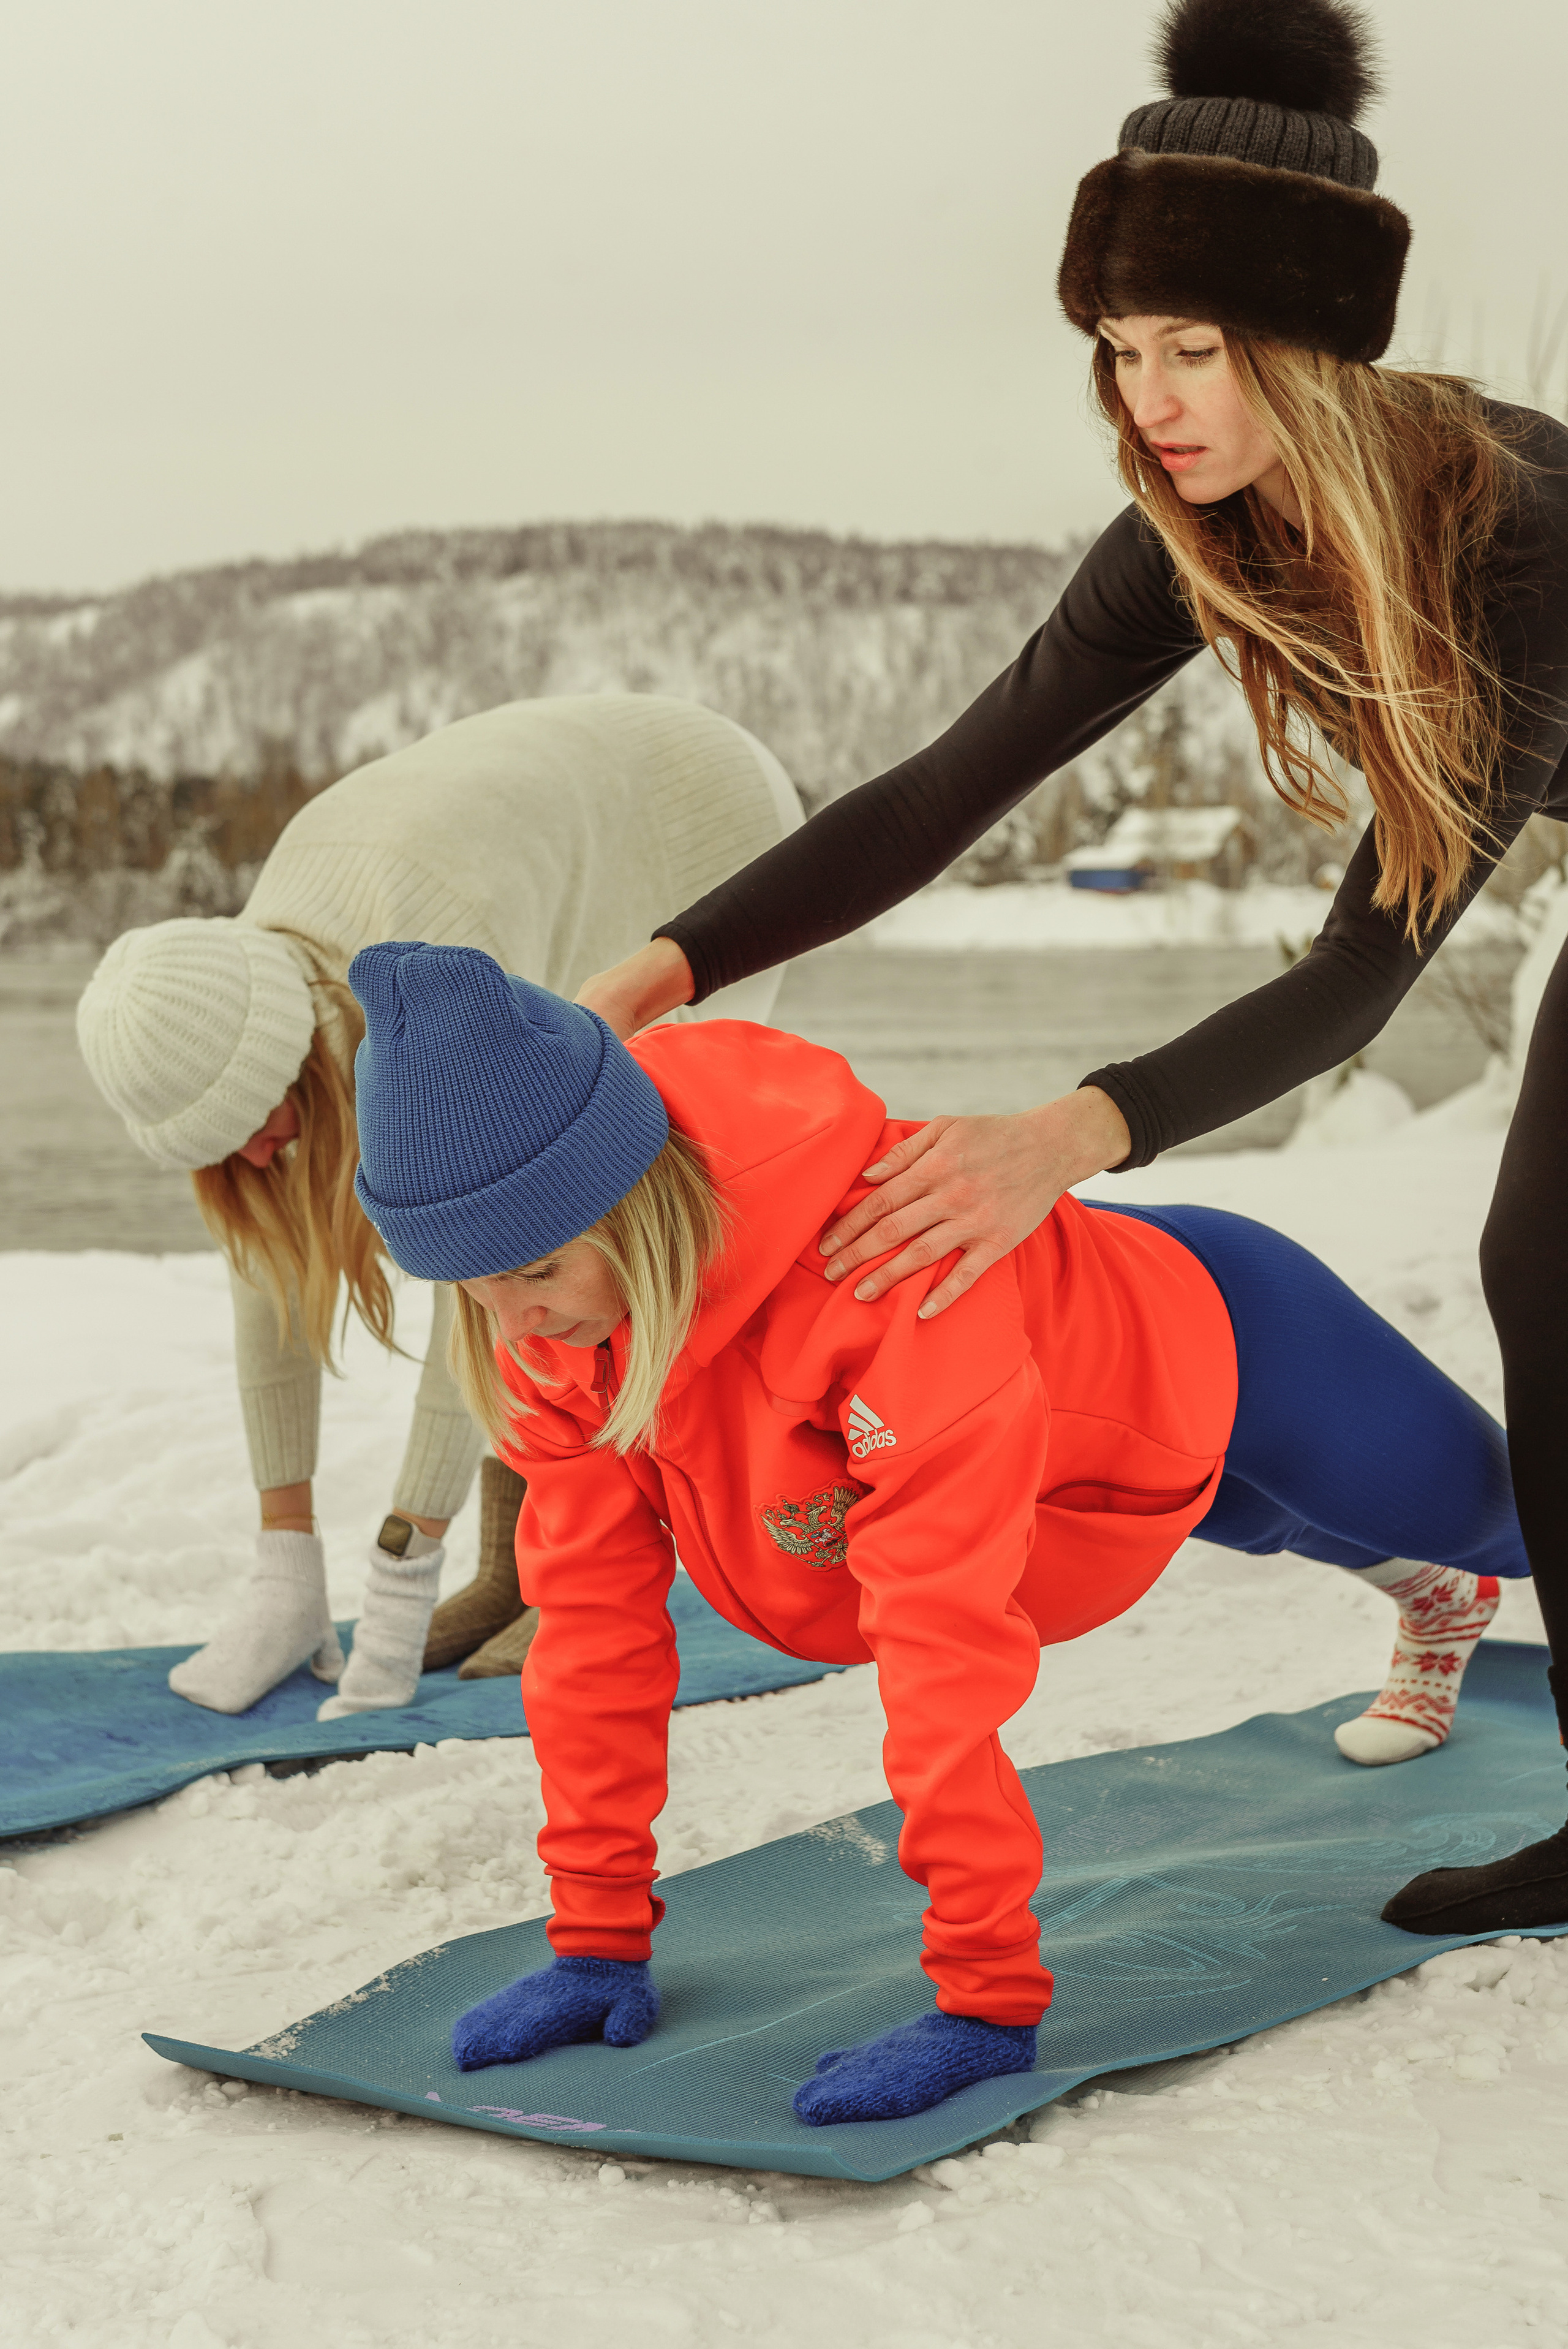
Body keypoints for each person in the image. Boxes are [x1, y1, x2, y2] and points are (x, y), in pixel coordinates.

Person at [572, 0, 1568, 1939]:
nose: (1155, 396)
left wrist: (1073, 1133)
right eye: (1124, 349)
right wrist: (663, 968)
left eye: (1194, 347)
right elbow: (941, 791)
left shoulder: (1510, 525)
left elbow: (1370, 962)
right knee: (1554, 1275)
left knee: (1549, 1257)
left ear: (1304, 342)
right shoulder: (1194, 536)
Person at [345, 941, 1528, 2127]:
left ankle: (1451, 1576)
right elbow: (592, 1635)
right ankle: (1435, 1597)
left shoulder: (884, 1282)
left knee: (1516, 1523)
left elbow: (940, 1648)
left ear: (632, 1198)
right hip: (1083, 1461)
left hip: (1234, 1337)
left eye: (535, 1268)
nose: (514, 1321)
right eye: (467, 1284)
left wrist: (986, 1996)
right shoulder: (558, 1333)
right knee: (1259, 1516)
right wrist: (594, 1935)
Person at [74, 694, 803, 1718]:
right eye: (219, 1149)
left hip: (699, 823)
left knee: (579, 1235)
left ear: (300, 1059)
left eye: (258, 1122)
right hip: (546, 826)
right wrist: (287, 1559)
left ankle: (577, 1572)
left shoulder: (438, 954)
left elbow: (488, 1275)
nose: (253, 1154)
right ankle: (509, 1572)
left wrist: (401, 1567)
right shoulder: (235, 991)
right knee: (529, 1252)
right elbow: (265, 1275)